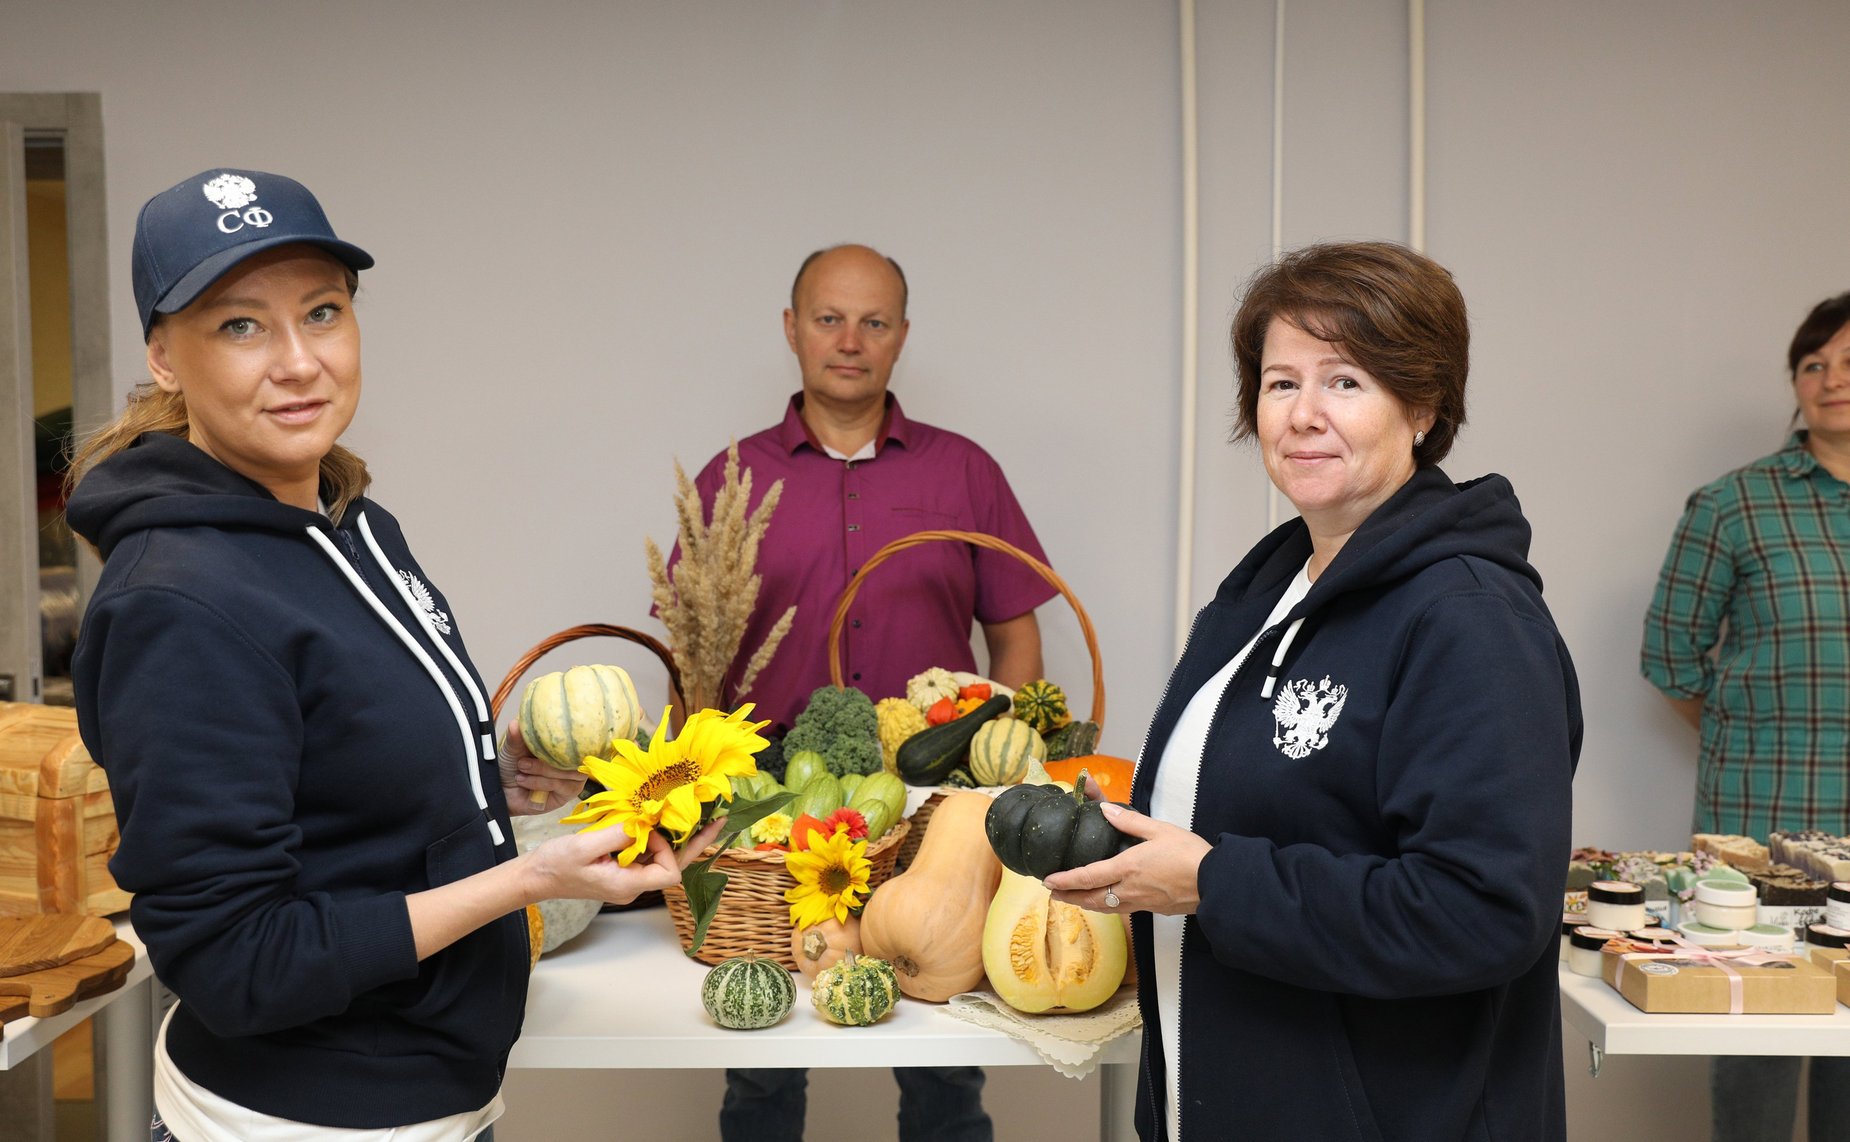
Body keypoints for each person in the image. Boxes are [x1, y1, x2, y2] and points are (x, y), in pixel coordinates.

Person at [65, 168, 717, 1142]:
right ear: (164, 355)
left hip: (428, 1102)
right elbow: (238, 962)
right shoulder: (178, 599)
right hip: (300, 1121)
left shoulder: (348, 520)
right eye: (240, 325)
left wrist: (500, 782)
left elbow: (340, 781)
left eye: (321, 312)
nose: (298, 361)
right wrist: (529, 880)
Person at [1044, 241, 1581, 1141]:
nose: (1302, 415)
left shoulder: (1471, 621)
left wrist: (1215, 883)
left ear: (1422, 405)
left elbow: (1481, 912)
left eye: (1344, 382)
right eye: (1280, 382)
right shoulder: (1268, 591)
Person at [700, 244, 1056, 1142]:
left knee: (944, 1064)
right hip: (778, 816)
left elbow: (1015, 631)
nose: (849, 341)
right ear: (791, 329)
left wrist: (998, 774)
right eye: (828, 318)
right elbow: (693, 657)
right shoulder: (730, 478)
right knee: (762, 1059)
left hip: (936, 816)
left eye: (874, 321)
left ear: (902, 337)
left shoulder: (963, 470)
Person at [1641, 291, 1850, 1142]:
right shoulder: (1734, 505)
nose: (1832, 379)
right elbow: (1671, 660)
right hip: (1762, 838)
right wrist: (1760, 737)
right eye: (1814, 364)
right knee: (1761, 1050)